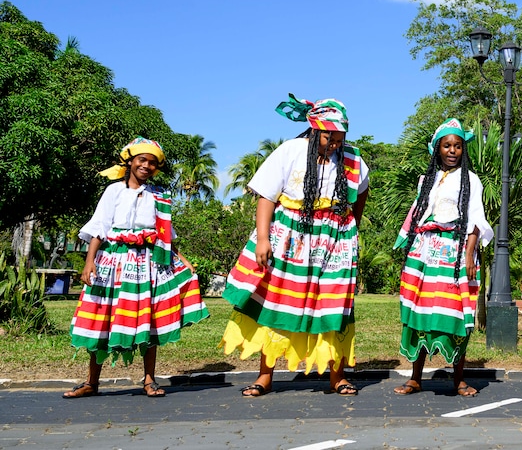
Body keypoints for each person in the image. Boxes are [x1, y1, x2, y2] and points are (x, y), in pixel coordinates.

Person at [221, 95, 369, 397]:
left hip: (332, 244)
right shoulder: (291, 151)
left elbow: (360, 196)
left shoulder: (353, 160)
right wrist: (263, 239)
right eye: (330, 136)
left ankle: (336, 376)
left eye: (340, 137)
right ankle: (264, 376)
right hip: (290, 239)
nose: (335, 143)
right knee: (276, 304)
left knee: (333, 306)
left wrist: (347, 230)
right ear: (315, 129)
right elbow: (266, 196)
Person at [63, 137, 209, 399]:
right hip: (113, 263)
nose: (147, 166)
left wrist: (183, 259)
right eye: (142, 160)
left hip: (148, 264)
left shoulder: (158, 196)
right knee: (102, 318)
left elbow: (165, 234)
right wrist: (89, 262)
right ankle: (91, 382)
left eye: (152, 163)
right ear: (130, 161)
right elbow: (100, 227)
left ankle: (149, 380)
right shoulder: (113, 191)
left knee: (147, 320)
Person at [392, 118, 492, 398]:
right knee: (419, 314)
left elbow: (475, 217)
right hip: (424, 254)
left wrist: (470, 254)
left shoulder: (471, 179)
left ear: (463, 149)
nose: (452, 151)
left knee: (455, 315)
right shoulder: (426, 180)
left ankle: (459, 379)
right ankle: (415, 378)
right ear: (437, 149)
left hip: (455, 253)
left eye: (457, 146)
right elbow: (417, 214)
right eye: (447, 145)